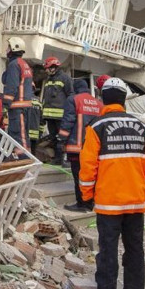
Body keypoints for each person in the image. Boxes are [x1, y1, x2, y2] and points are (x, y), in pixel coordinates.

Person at [80, 78, 145, 289]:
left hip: (108, 203)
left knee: (108, 253)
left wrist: (86, 196)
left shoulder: (97, 126)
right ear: (124, 100)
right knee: (135, 250)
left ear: (103, 98)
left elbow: (88, 167)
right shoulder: (142, 127)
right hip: (136, 202)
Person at [58, 79, 102, 212]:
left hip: (76, 147)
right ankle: (91, 202)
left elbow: (68, 121)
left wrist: (61, 139)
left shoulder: (73, 99)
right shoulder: (98, 104)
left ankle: (82, 204)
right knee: (91, 176)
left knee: (79, 176)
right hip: (94, 148)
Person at [1, 37, 34, 154]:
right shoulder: (24, 64)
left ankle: (22, 158)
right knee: (23, 134)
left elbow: (12, 85)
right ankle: (22, 157)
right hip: (24, 105)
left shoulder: (14, 65)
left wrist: (6, 103)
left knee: (18, 134)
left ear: (14, 48)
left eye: (8, 47)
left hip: (17, 106)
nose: (6, 49)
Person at [41, 57, 73, 166]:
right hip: (50, 117)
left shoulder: (65, 78)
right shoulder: (49, 80)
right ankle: (56, 159)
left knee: (62, 138)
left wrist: (69, 113)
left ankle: (63, 159)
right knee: (53, 137)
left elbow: (70, 96)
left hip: (61, 116)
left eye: (47, 68)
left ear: (54, 68)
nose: (46, 70)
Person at [28, 83, 43, 155]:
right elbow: (42, 120)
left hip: (24, 133)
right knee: (32, 154)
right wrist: (40, 132)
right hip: (35, 134)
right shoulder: (39, 102)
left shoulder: (23, 100)